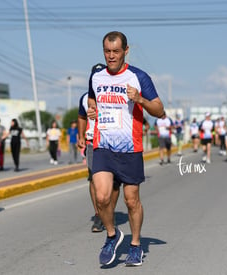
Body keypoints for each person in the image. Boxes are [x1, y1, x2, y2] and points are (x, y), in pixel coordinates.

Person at [87, 31, 165, 266]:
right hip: (103, 145)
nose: (111, 56)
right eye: (107, 52)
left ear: (126, 51)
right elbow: (92, 100)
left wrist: (140, 100)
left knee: (131, 201)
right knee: (101, 197)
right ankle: (112, 235)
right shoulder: (96, 78)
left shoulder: (138, 77)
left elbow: (160, 110)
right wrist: (92, 110)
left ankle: (136, 244)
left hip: (130, 148)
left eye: (116, 52)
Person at [78, 85, 120, 233]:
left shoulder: (114, 96)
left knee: (114, 182)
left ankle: (110, 212)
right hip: (92, 142)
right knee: (93, 179)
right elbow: (82, 117)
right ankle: (98, 214)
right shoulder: (84, 98)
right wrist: (81, 135)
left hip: (112, 142)